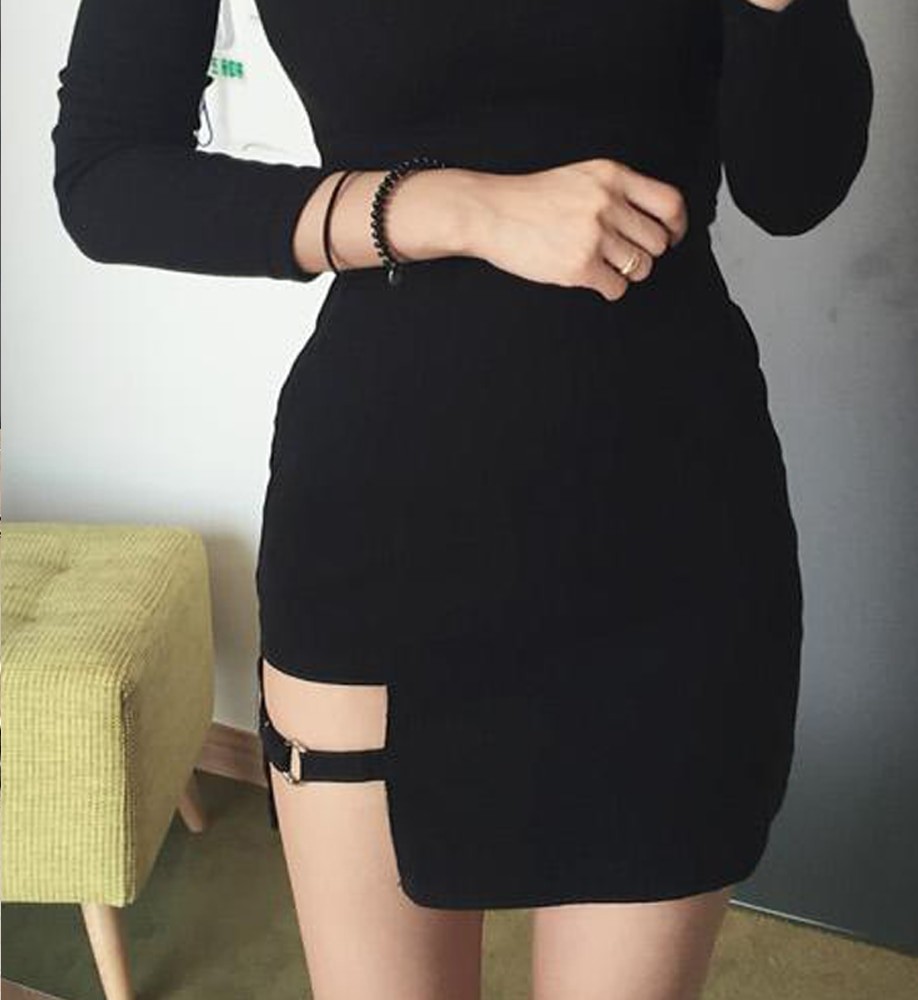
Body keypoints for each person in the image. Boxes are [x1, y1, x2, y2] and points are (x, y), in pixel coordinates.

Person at [51, 0, 874, 996]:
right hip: (383, 520)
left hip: (667, 521)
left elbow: (795, 187)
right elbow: (108, 175)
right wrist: (455, 208)